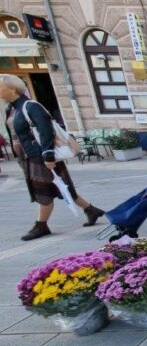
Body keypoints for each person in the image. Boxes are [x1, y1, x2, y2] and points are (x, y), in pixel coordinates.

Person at [0, 74, 104, 240]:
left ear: (12, 89)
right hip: (28, 157)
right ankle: (91, 210)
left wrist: (48, 155)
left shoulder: (31, 106)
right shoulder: (11, 108)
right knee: (61, 186)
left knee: (44, 192)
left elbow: (45, 130)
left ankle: (41, 226)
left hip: (40, 156)